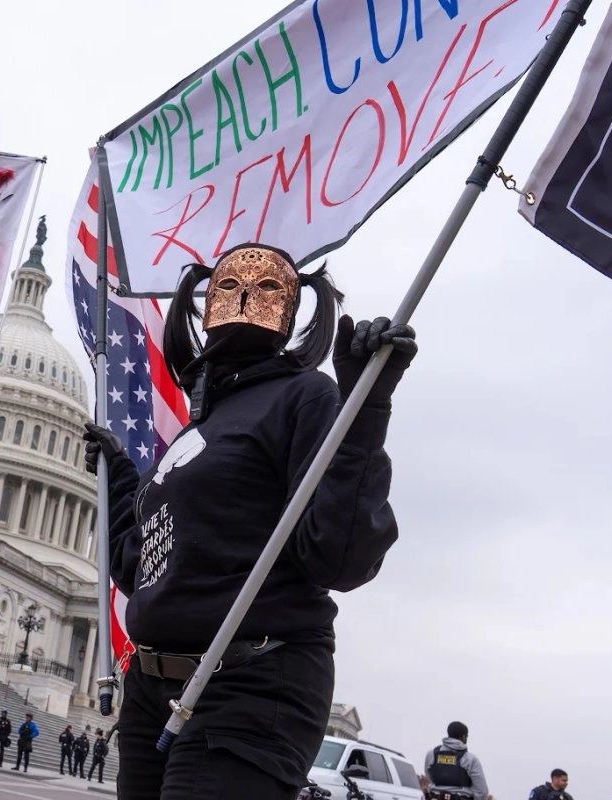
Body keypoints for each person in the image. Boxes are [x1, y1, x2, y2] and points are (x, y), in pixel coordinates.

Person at [84, 244, 416, 800]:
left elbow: (339, 557)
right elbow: (141, 569)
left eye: (267, 288)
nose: (244, 296)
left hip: (250, 682)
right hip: (151, 691)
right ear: (201, 300)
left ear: (294, 311)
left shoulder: (305, 396)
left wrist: (365, 411)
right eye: (228, 285)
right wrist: (118, 477)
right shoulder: (190, 436)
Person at [424, 721, 488, 800]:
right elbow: (482, 791)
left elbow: (429, 778)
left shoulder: (431, 754)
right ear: (464, 737)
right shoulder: (470, 759)